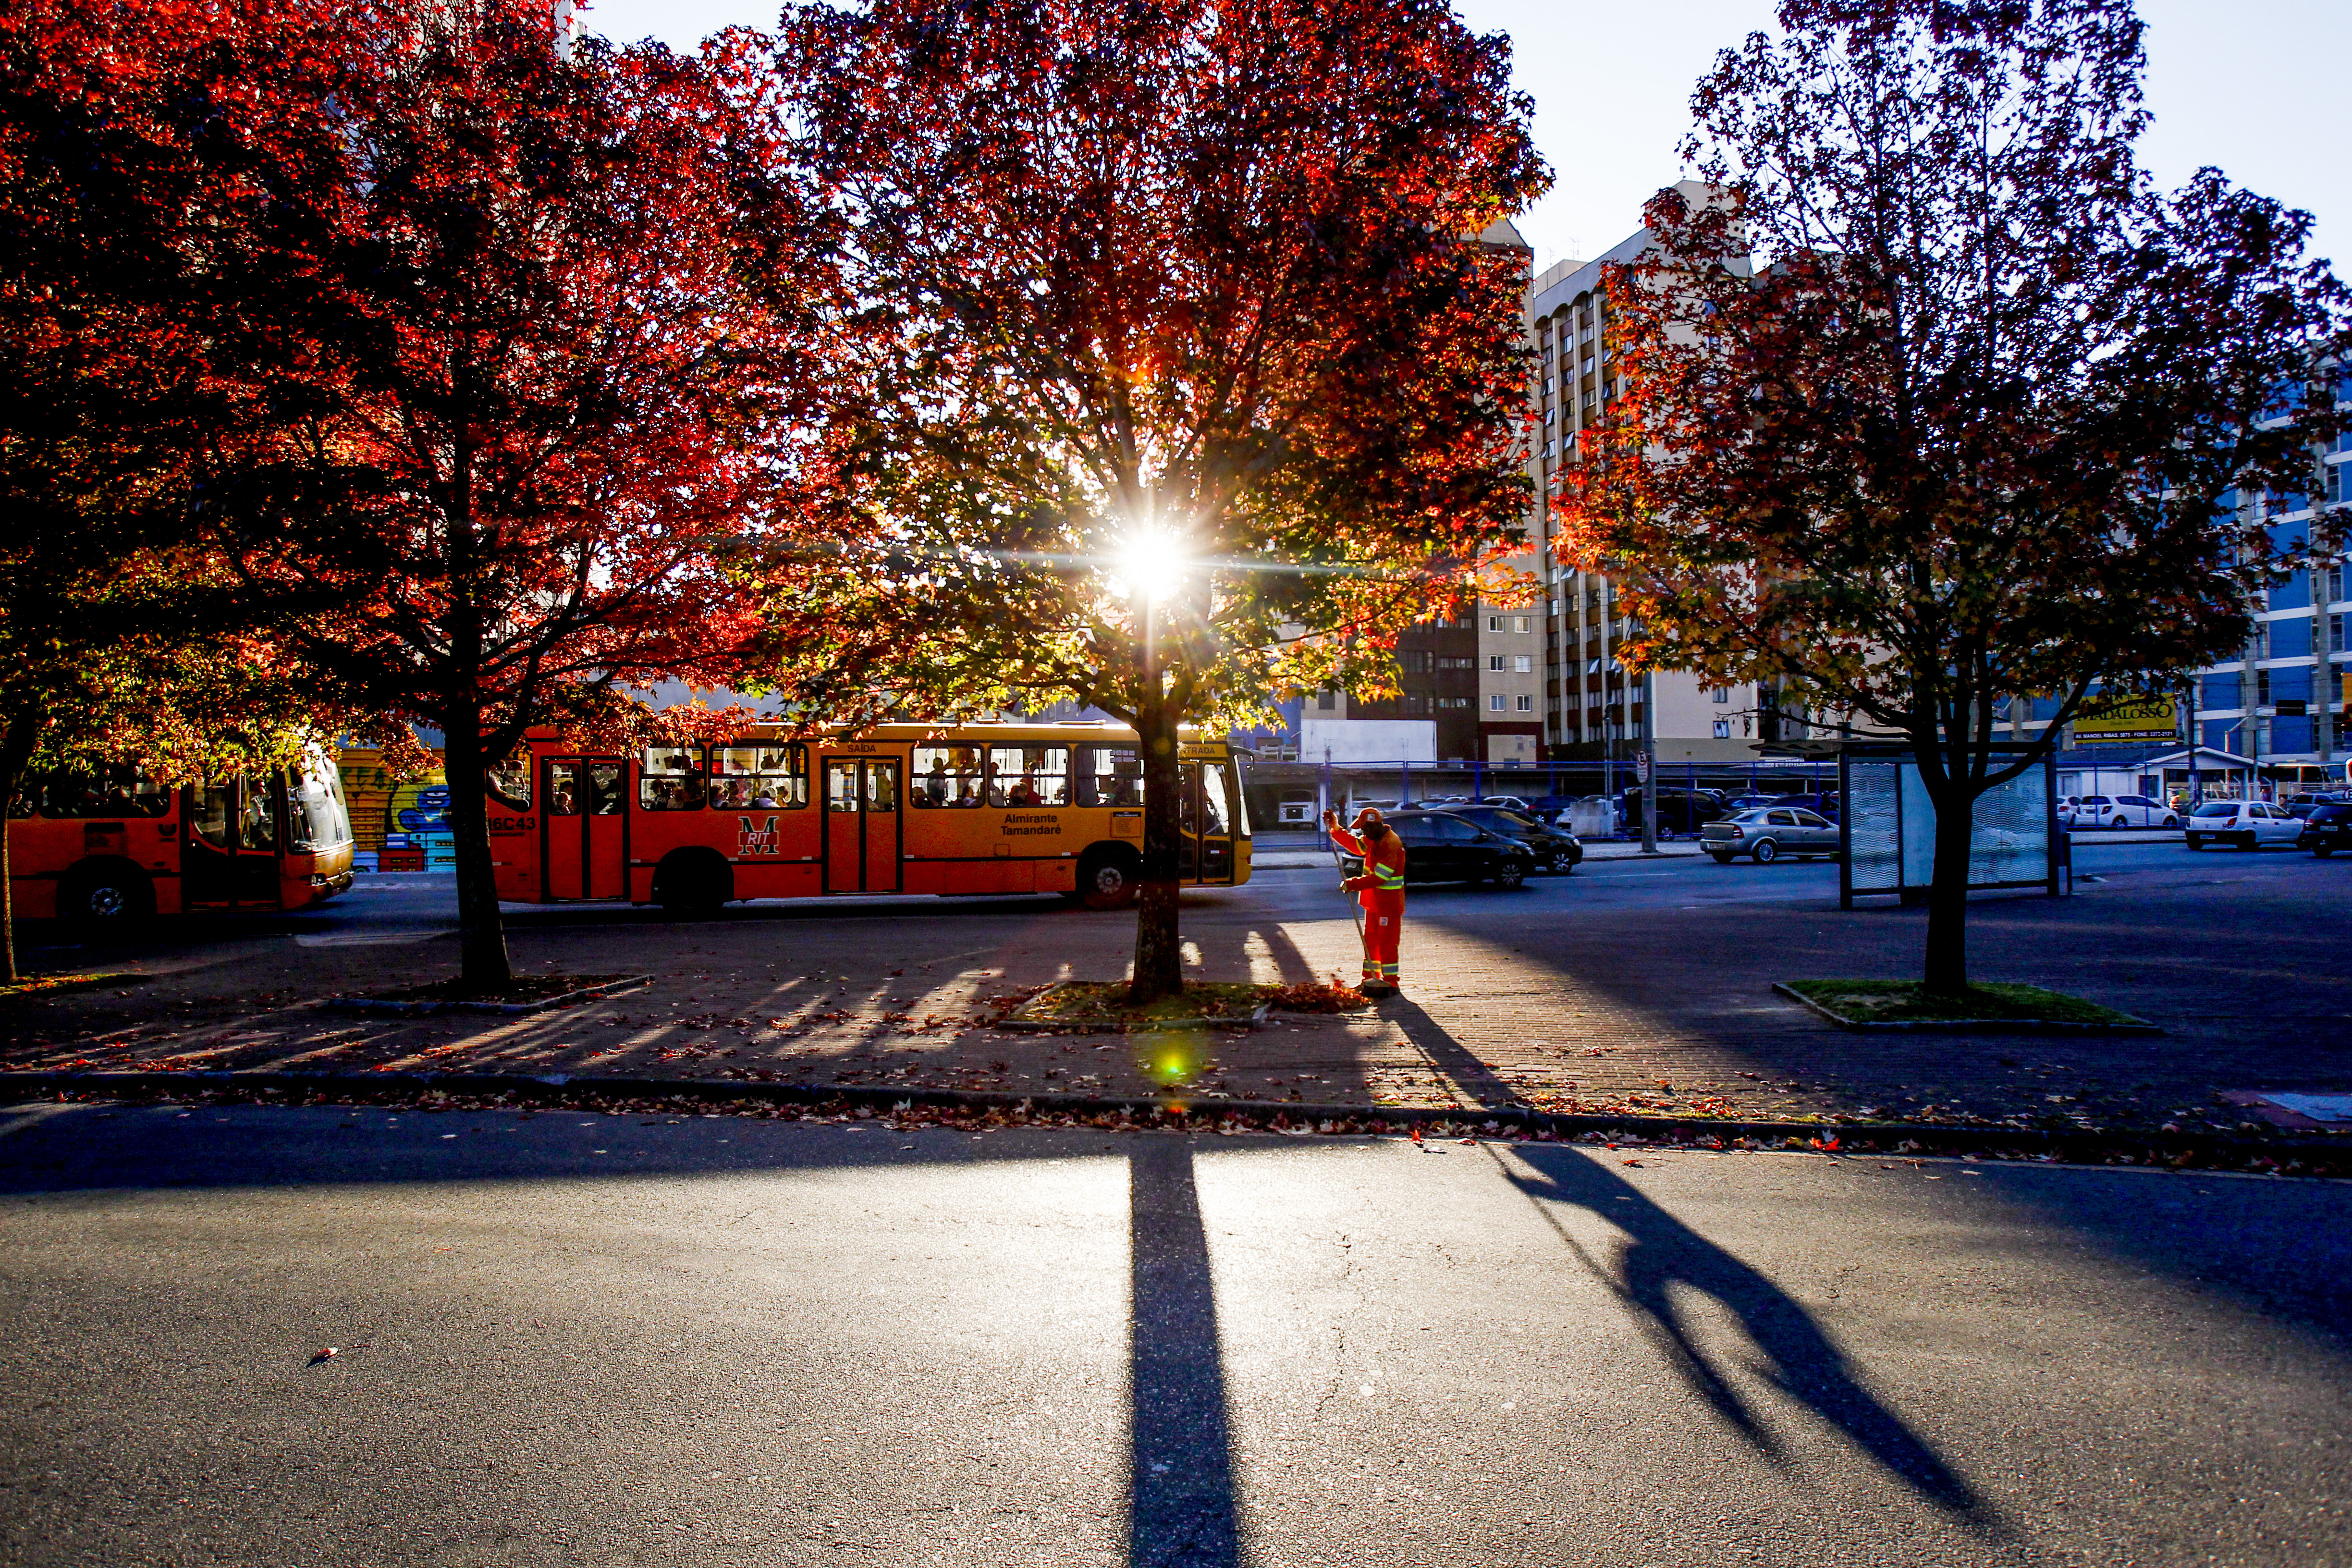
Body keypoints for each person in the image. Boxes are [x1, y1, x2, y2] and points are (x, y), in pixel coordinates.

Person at [1325, 806, 1407, 993]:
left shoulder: (1391, 844)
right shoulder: (1374, 839)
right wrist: (1336, 828)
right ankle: (1370, 979)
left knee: (1387, 942)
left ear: (1375, 826)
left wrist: (1352, 884)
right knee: (1371, 940)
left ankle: (1391, 982)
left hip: (1389, 904)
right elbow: (1356, 846)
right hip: (1374, 903)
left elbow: (1381, 877)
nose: (1363, 833)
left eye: (1365, 829)